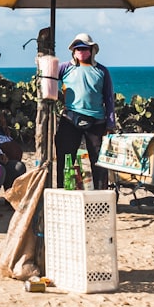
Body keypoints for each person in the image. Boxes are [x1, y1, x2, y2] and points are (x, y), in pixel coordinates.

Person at [56, 32, 116, 190]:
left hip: (96, 121)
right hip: (70, 119)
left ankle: (101, 195)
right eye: (77, 48)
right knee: (65, 157)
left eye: (84, 48)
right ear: (73, 51)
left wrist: (110, 124)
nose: (80, 51)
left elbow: (109, 98)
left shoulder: (102, 71)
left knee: (98, 162)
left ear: (92, 50)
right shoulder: (65, 67)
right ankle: (63, 190)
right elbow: (48, 79)